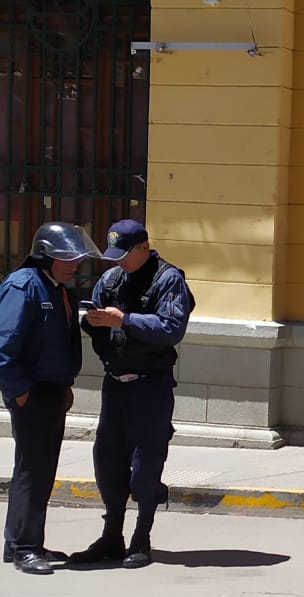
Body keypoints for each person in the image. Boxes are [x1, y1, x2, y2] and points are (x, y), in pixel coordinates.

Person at [70, 219, 195, 569]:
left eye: (125, 255)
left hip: (150, 385)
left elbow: (171, 328)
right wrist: (91, 321)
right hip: (115, 385)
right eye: (114, 256)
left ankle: (142, 536)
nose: (119, 263)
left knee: (145, 465)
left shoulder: (168, 279)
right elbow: (94, 315)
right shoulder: (111, 279)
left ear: (144, 247)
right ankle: (112, 535)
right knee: (108, 462)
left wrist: (123, 320)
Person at [0, 223, 101, 574]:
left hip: (52, 390)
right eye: (65, 257)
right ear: (44, 253)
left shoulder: (59, 289)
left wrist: (65, 384)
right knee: (33, 470)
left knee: (38, 471)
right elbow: (5, 347)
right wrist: (19, 392)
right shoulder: (23, 286)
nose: (73, 263)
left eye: (76, 257)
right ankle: (26, 548)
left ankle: (20, 543)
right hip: (33, 393)